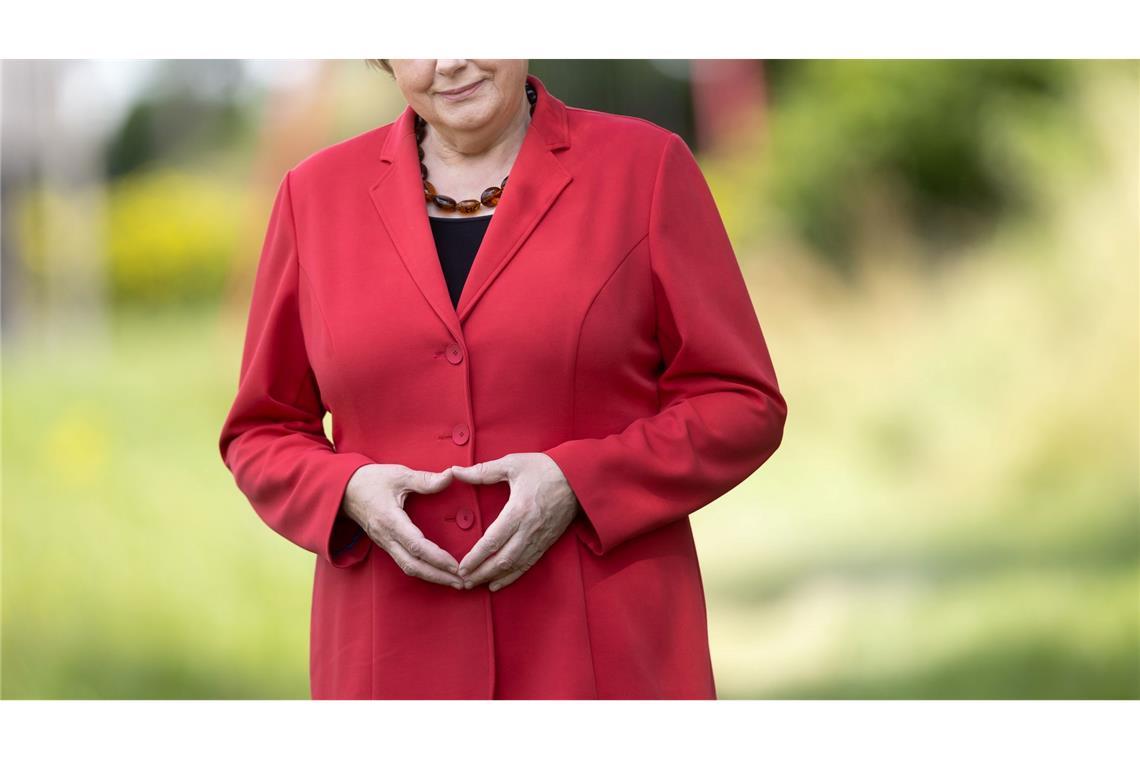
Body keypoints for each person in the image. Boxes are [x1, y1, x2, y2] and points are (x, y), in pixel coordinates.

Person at [217, 59, 787, 699]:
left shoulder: (645, 167)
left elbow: (741, 402)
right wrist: (345, 490)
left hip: (605, 654)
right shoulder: (312, 196)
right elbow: (261, 430)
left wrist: (580, 483)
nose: (449, 59)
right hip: (390, 660)